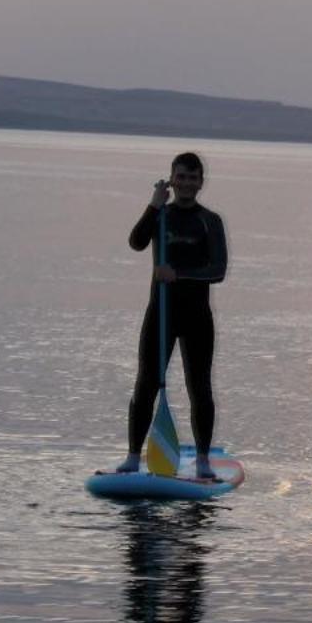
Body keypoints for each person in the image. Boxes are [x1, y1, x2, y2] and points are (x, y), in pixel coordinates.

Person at [118, 151, 228, 479]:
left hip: (196, 318)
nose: (187, 184)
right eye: (181, 177)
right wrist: (153, 204)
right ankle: (133, 458)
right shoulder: (160, 216)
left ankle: (204, 460)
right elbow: (136, 242)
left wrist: (177, 274)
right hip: (160, 315)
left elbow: (218, 270)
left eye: (193, 178)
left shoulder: (210, 221)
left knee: (200, 388)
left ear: (201, 183)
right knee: (146, 385)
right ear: (172, 179)